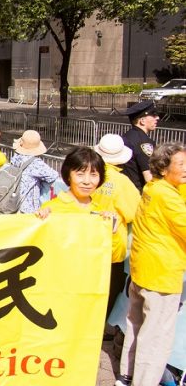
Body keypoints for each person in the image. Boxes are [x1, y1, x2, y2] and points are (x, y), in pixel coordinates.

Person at [116, 142, 186, 386]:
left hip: (143, 269)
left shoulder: (154, 187)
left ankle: (126, 375)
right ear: (164, 169)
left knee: (136, 326)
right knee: (156, 337)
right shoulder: (167, 196)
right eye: (181, 164)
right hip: (162, 273)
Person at [34, 147, 124, 263]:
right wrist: (37, 221)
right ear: (68, 175)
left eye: (93, 175)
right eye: (80, 174)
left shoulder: (101, 214)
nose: (87, 181)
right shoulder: (51, 209)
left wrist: (113, 232)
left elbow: (116, 257)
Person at [92, 133, 140, 318]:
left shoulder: (88, 174)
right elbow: (133, 212)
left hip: (86, 241)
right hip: (111, 246)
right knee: (109, 289)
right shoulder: (121, 182)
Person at [10, 130, 60, 214]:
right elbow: (53, 175)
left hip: (12, 203)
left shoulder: (15, 158)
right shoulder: (35, 163)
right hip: (27, 208)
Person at [121, 100, 159, 192]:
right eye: (153, 115)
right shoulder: (144, 143)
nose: (157, 118)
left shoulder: (126, 136)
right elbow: (149, 176)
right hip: (137, 192)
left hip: (124, 189)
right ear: (142, 121)